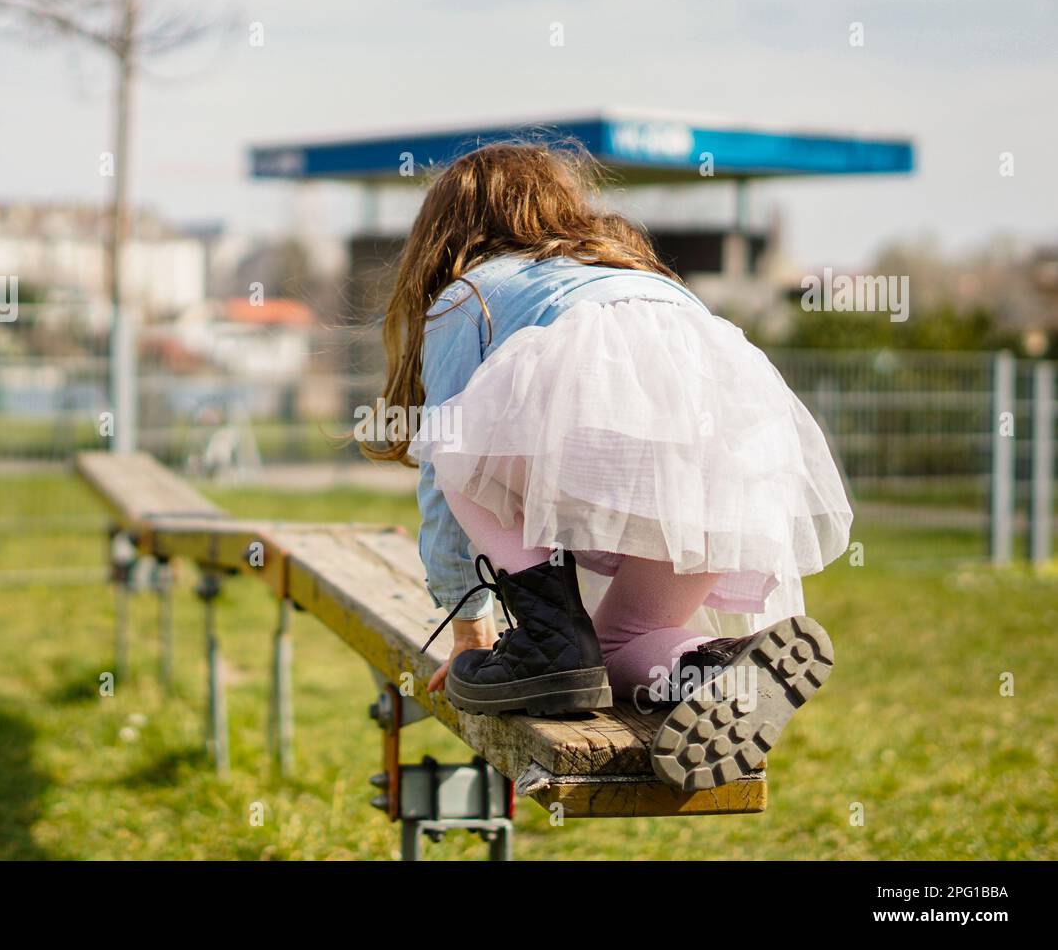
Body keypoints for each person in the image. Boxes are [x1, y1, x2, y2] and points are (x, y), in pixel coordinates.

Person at [361, 141, 851, 790]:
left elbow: (447, 457)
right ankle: (718, 671)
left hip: (664, 431)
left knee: (455, 444)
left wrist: (470, 629)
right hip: (733, 454)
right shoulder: (635, 272)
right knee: (625, 642)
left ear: (445, 232)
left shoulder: (472, 291)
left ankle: (548, 640)